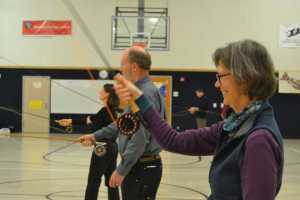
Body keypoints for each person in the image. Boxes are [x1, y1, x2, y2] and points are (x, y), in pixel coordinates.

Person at [114, 39, 284, 200]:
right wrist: (139, 98)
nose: (217, 85)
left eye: (220, 77)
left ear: (245, 79)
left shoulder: (258, 141)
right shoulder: (234, 127)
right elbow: (174, 140)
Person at [79, 46, 165, 200]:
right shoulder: (138, 92)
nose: (121, 69)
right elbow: (122, 124)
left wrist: (122, 170)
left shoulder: (144, 94)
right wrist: (94, 135)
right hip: (139, 167)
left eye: (123, 64)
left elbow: (139, 139)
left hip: (141, 168)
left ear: (133, 66)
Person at [56, 83, 120, 200]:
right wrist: (70, 121)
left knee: (93, 181)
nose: (99, 91)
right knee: (111, 182)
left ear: (107, 94)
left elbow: (96, 129)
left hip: (102, 149)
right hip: (112, 148)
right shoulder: (108, 111)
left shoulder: (106, 112)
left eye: (102, 90)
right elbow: (91, 120)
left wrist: (90, 135)